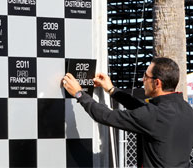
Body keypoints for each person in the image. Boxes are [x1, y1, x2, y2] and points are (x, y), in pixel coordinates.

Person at [62, 57, 193, 167]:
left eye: (146, 76)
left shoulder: (153, 115)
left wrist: (79, 94)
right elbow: (140, 108)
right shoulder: (187, 109)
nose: (143, 80)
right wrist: (111, 89)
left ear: (157, 83)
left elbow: (106, 116)